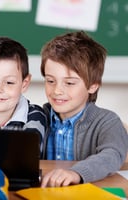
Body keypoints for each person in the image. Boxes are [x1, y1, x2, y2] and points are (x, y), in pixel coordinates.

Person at [40, 31, 128, 187]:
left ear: (93, 85)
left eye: (69, 83)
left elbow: (112, 155)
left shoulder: (107, 122)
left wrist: (77, 173)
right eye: (50, 81)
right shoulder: (37, 117)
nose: (57, 90)